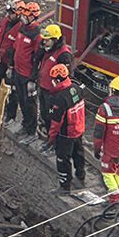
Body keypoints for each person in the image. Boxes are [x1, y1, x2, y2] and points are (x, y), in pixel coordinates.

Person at [45, 63, 87, 192]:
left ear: (57, 80)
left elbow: (56, 122)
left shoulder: (60, 98)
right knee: (78, 154)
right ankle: (81, 178)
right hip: (79, 129)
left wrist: (51, 138)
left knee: (62, 158)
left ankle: (65, 186)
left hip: (66, 133)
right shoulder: (76, 87)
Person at [34, 23, 72, 142]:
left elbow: (66, 76)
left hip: (54, 93)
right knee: (45, 115)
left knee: (54, 119)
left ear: (55, 40)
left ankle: (54, 142)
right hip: (44, 88)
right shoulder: (48, 49)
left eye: (47, 40)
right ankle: (48, 138)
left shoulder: (63, 55)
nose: (44, 42)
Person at [9, 1, 42, 135]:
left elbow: (38, 59)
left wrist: (33, 79)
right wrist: (11, 66)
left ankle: (31, 130)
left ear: (33, 16)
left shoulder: (37, 34)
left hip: (28, 75)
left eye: (26, 15)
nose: (23, 18)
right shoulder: (22, 29)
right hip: (18, 71)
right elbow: (15, 48)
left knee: (30, 103)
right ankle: (25, 124)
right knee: (21, 100)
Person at [0, 0, 22, 91]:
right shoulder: (4, 21)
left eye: (11, 13)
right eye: (8, 13)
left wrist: (3, 54)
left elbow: (17, 50)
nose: (9, 15)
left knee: (7, 90)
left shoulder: (20, 29)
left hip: (9, 64)